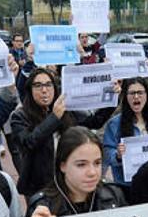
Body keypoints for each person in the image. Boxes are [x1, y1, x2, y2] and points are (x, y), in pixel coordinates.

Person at [9, 67, 115, 197]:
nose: (44, 90)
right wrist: (54, 118)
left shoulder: (66, 109)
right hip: (40, 186)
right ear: (30, 90)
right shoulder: (20, 116)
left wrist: (112, 99)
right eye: (38, 85)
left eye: (48, 85)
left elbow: (94, 122)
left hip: (68, 180)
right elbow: (29, 143)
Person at [25, 127, 128, 217]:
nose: (92, 172)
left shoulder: (114, 194)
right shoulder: (43, 206)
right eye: (81, 165)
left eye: (97, 163)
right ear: (62, 166)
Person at [102, 77, 148, 185]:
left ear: (147, 95)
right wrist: (117, 155)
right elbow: (107, 153)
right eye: (132, 93)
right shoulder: (115, 124)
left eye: (140, 92)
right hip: (126, 184)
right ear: (125, 96)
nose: (136, 97)